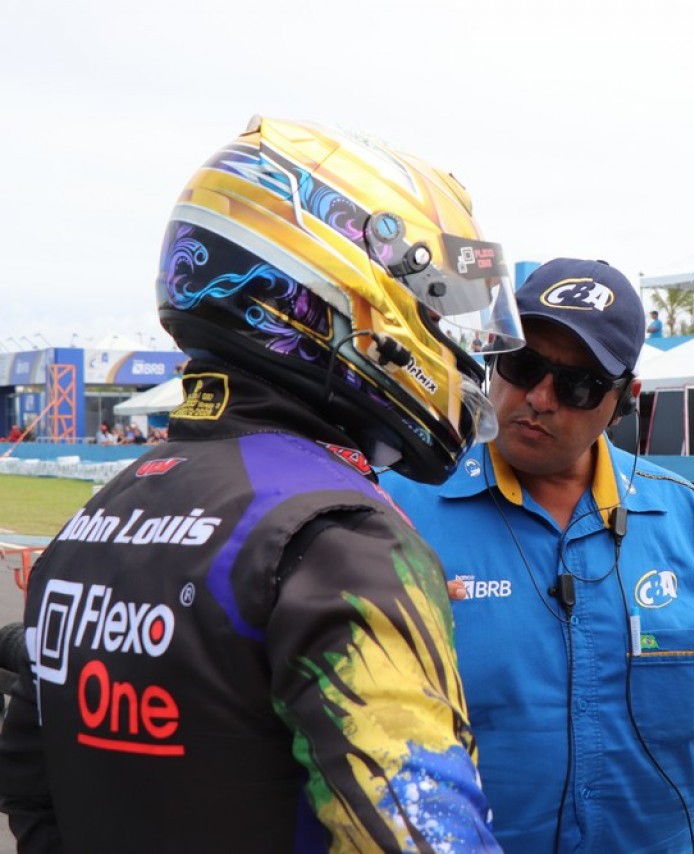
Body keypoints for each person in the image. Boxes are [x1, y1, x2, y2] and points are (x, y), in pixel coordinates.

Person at [0, 116, 526, 852]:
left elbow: (31, 787)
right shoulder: (344, 542)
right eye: (436, 305)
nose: (458, 347)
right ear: (352, 292)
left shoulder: (91, 522)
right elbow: (424, 837)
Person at [381, 257, 694, 852]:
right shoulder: (396, 511)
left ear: (626, 400)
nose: (539, 397)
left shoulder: (691, 523)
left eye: (578, 385)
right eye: (523, 364)